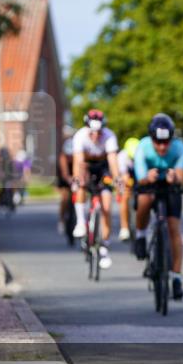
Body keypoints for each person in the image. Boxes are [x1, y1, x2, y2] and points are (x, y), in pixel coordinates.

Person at [133, 114, 183, 301]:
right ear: (152, 139)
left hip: (170, 185)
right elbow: (140, 178)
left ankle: (176, 277)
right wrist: (146, 177)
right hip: (148, 183)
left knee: (174, 229)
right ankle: (140, 235)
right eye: (158, 142)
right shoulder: (143, 147)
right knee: (145, 199)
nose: (162, 147)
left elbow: (182, 177)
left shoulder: (181, 149)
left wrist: (176, 177)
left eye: (166, 142)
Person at [71, 109, 120, 269]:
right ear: (87, 128)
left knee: (106, 205)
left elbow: (112, 161)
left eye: (99, 132)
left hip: (103, 167)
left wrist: (117, 178)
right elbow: (78, 161)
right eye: (93, 132)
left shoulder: (109, 136)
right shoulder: (79, 136)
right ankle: (80, 222)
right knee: (80, 185)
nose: (96, 136)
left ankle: (104, 246)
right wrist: (78, 179)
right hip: (86, 166)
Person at [117, 137, 141, 241]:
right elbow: (124, 175)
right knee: (125, 195)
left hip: (138, 173)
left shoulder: (141, 155)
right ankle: (124, 228)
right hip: (126, 175)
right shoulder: (122, 156)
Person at [56, 125, 76, 235]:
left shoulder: (77, 155)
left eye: (71, 155)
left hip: (75, 174)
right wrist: (68, 179)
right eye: (68, 155)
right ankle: (62, 220)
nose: (70, 157)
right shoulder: (63, 158)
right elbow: (64, 173)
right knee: (64, 198)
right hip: (65, 177)